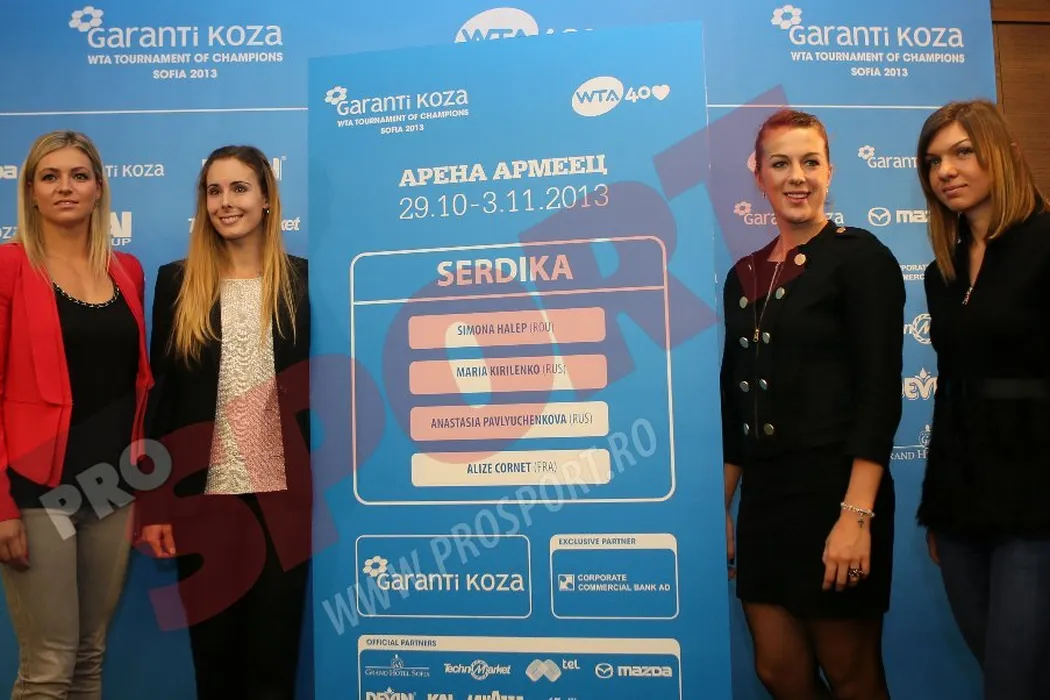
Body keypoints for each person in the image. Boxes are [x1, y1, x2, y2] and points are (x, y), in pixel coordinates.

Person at [721, 109, 905, 700]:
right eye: (780, 163)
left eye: (810, 162)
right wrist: (721, 508)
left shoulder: (861, 258)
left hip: (837, 493)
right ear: (759, 176)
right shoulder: (745, 275)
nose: (796, 176)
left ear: (830, 172)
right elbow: (734, 396)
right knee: (777, 669)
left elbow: (879, 394)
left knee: (852, 676)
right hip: (765, 498)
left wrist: (856, 517)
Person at [137, 145, 311, 700]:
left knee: (273, 668)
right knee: (214, 668)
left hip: (282, 505)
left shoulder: (302, 282)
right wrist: (154, 506)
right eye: (214, 191)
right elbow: (162, 402)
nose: (225, 202)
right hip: (201, 504)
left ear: (266, 198)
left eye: (239, 188)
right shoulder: (177, 283)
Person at [0, 130, 153, 697]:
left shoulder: (128, 271)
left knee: (89, 658)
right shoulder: (9, 266)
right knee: (48, 667)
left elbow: (137, 383)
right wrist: (1, 507)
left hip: (114, 487)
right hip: (37, 492)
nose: (65, 187)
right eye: (50, 176)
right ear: (31, 191)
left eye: (78, 175)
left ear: (99, 189)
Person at [915, 99, 1050, 700]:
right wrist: (938, 506)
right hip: (960, 505)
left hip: (1037, 501)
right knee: (1005, 670)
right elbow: (950, 389)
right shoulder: (939, 272)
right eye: (933, 160)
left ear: (1003, 154)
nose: (946, 170)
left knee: (1014, 683)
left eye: (963, 152)